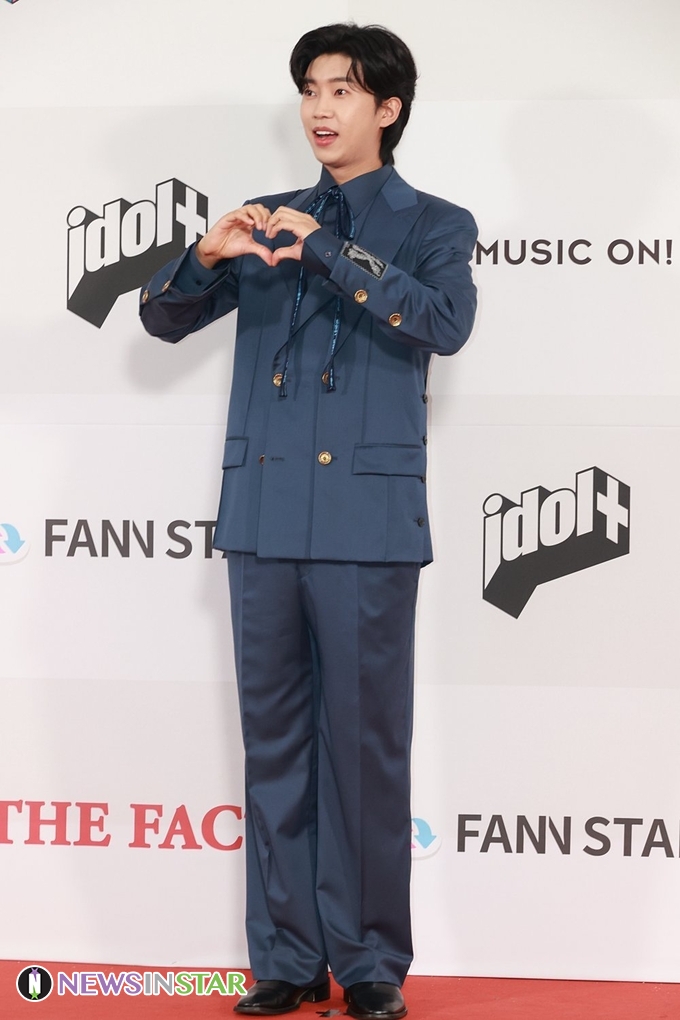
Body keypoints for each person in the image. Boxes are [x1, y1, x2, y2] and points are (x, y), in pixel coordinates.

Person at [139, 22, 477, 1019]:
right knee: (274, 744)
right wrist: (202, 255)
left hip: (367, 524)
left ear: (388, 108)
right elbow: (161, 319)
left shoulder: (432, 222)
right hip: (263, 518)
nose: (321, 109)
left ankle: (368, 963)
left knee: (364, 750)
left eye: (343, 90)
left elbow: (445, 323)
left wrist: (331, 250)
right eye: (310, 89)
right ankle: (284, 958)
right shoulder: (263, 217)